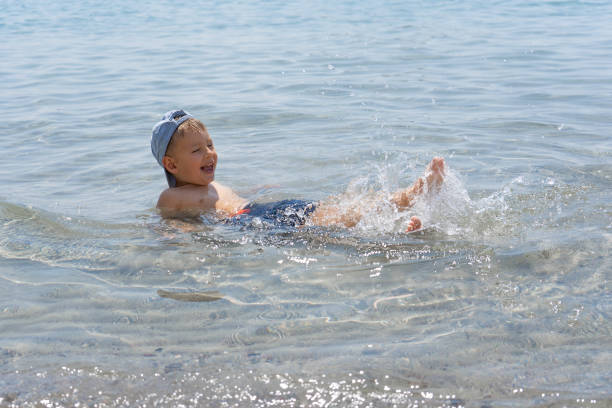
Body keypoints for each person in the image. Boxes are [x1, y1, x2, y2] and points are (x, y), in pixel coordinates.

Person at [151, 109, 445, 232]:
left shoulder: (208, 187)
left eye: (210, 144)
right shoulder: (171, 196)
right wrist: (176, 236)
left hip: (262, 210)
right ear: (171, 165)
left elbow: (225, 200)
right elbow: (174, 222)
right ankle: (404, 214)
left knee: (338, 211)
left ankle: (406, 202)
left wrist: (260, 191)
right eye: (197, 150)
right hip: (253, 225)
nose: (210, 153)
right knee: (331, 225)